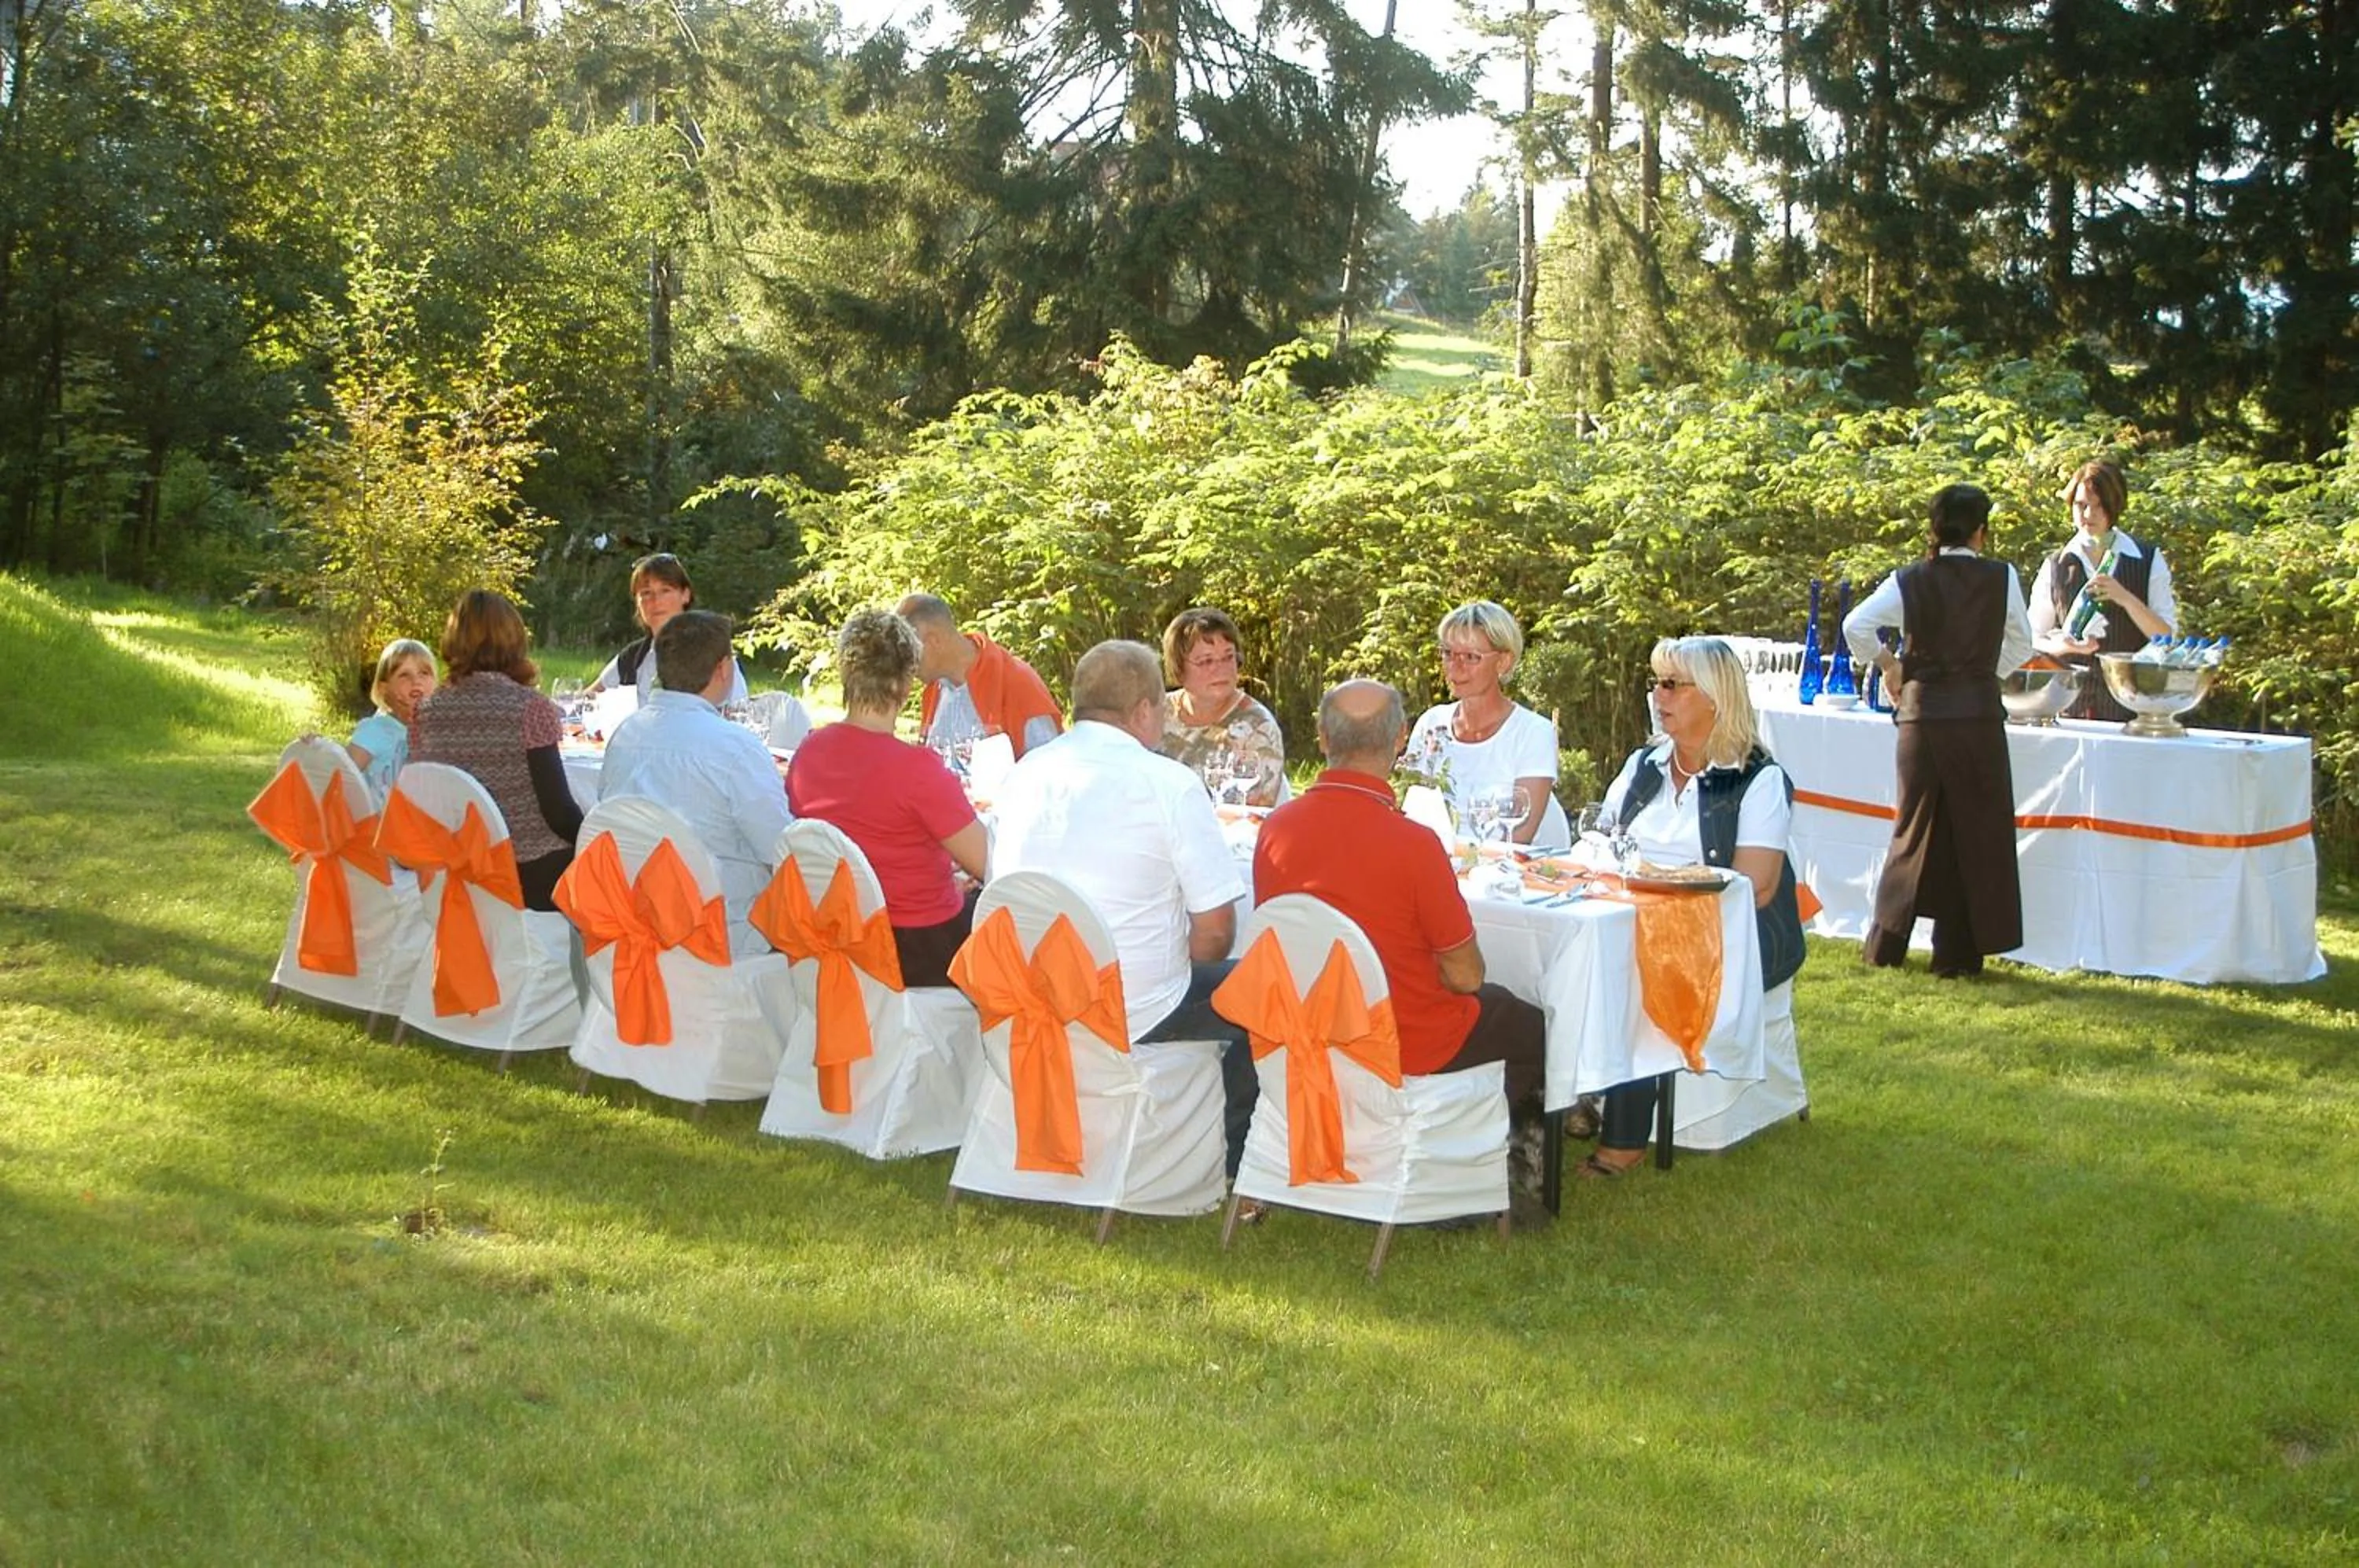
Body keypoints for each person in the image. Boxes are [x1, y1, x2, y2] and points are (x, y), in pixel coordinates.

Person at [1251, 679, 1551, 1215]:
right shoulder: (1413, 844)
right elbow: (1466, 977)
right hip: (1399, 1040)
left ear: (1323, 739)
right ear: (1400, 741)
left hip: (1305, 1029)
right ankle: (1479, 1174)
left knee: (1499, 1008)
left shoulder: (1277, 828)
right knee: (1530, 1024)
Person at [990, 639, 1255, 1175]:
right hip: (1131, 1009)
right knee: (1265, 990)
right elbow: (1215, 931)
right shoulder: (1169, 784)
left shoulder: (1022, 775)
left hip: (1028, 990)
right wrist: (1167, 963)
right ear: (1142, 712)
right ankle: (1229, 1158)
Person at [1582, 637, 1810, 1176]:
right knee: (1565, 953)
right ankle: (1573, 1093)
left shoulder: (1757, 778)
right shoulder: (1644, 765)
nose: (1657, 696)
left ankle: (1624, 1133)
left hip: (1726, 936)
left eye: (1672, 685)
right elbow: (1599, 839)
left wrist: (1660, 885)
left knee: (1638, 971)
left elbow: (1754, 887)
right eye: (1655, 684)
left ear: (1714, 697)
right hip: (1630, 918)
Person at [1842, 482, 2037, 977]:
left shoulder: (1911, 579)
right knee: (1976, 832)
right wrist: (1984, 674)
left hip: (1922, 716)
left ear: (1934, 529)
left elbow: (1855, 626)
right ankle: (1958, 954)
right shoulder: (2001, 578)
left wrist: (1890, 665)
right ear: (1980, 532)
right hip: (1977, 719)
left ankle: (1885, 945)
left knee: (1912, 830)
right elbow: (2022, 642)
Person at [787, 609, 990, 987]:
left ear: (847, 675)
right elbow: (989, 863)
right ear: (906, 683)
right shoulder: (918, 770)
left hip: (839, 934)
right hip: (917, 946)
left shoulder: (808, 754)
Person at [598, 610, 795, 958]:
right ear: (724, 669)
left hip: (635, 922)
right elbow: (780, 852)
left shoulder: (625, 734)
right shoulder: (736, 748)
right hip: (726, 934)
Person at [410, 590, 584, 911]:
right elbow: (558, 812)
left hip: (460, 866)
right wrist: (593, 837)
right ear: (514, 639)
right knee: (613, 872)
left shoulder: (426, 712)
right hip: (530, 873)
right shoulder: (530, 708)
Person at [1403, 600, 1570, 850]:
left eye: (1471, 657)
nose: (1455, 667)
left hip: (1505, 869)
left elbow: (1518, 837)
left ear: (1503, 662)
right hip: (1435, 862)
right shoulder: (1431, 724)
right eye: (1448, 653)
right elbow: (1413, 813)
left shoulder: (1533, 732)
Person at [2028, 458, 2175, 721]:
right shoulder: (2056, 564)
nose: (2088, 515)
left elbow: (2167, 638)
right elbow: (2030, 640)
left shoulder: (2147, 559)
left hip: (2132, 710)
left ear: (2114, 506)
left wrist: (2126, 598)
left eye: (2098, 506)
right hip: (2069, 708)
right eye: (2080, 505)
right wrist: (2060, 645)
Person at [895, 593, 1063, 760]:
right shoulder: (934, 691)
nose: (902, 662)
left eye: (906, 651)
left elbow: (1050, 767)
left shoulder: (1017, 684)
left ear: (934, 641)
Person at [1156, 607, 1286, 808]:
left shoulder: (1258, 727)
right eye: (1206, 661)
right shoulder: (1154, 714)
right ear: (1179, 668)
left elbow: (1255, 814)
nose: (1221, 669)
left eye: (1228, 657)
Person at [589, 552, 748, 707]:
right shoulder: (633, 658)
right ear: (637, 602)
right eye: (646, 593)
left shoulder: (716, 653)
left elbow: (740, 712)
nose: (656, 601)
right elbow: (588, 698)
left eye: (665, 590)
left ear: (685, 595)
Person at [346, 638, 436, 804]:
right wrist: (318, 750)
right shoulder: (374, 731)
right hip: (378, 819)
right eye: (404, 675)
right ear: (384, 688)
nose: (416, 681)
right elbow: (341, 777)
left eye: (424, 673)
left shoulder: (437, 733)